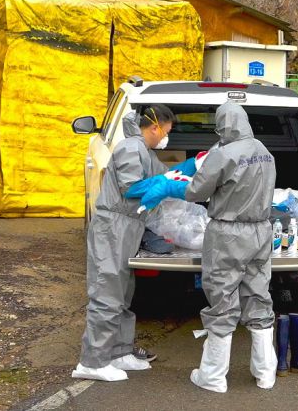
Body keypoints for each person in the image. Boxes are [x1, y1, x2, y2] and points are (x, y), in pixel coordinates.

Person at [140, 101, 277, 392]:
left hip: (228, 233)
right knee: (258, 295)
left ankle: (213, 377)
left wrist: (169, 185)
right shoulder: (264, 152)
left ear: (222, 126)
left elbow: (196, 191)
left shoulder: (223, 154)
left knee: (222, 299)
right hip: (261, 231)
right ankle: (266, 373)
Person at [72, 105, 176, 382]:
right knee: (107, 293)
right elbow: (132, 188)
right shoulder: (131, 148)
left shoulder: (144, 151)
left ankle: (118, 352)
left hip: (128, 228)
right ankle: (92, 362)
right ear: (154, 127)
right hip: (113, 228)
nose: (166, 138)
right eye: (166, 132)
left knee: (123, 293)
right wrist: (168, 186)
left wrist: (191, 171)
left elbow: (166, 174)